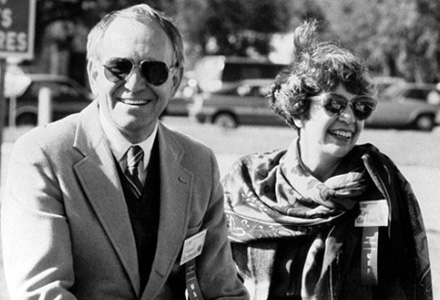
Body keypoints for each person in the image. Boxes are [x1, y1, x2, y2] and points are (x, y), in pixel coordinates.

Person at [1, 4, 248, 300]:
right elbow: (41, 293)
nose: (134, 84)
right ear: (94, 74)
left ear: (175, 79)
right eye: (119, 68)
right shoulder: (44, 156)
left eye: (153, 70)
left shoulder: (199, 163)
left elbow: (222, 290)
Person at [222, 20, 432, 300]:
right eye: (334, 104)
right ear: (298, 110)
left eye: (361, 107)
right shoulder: (248, 183)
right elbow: (216, 279)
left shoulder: (381, 187)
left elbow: (402, 285)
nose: (348, 117)